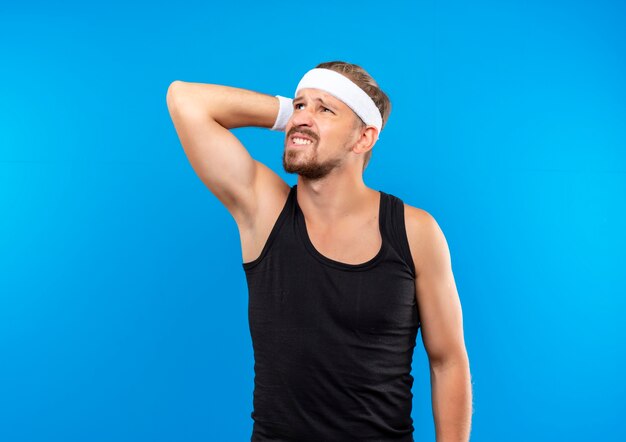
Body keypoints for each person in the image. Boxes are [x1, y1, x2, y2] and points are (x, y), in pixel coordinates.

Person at [166, 61, 472, 441]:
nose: (303, 118)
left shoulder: (415, 231)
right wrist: (289, 116)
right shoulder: (265, 212)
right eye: (299, 105)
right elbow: (185, 100)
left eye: (325, 109)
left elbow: (447, 361)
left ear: (364, 138)